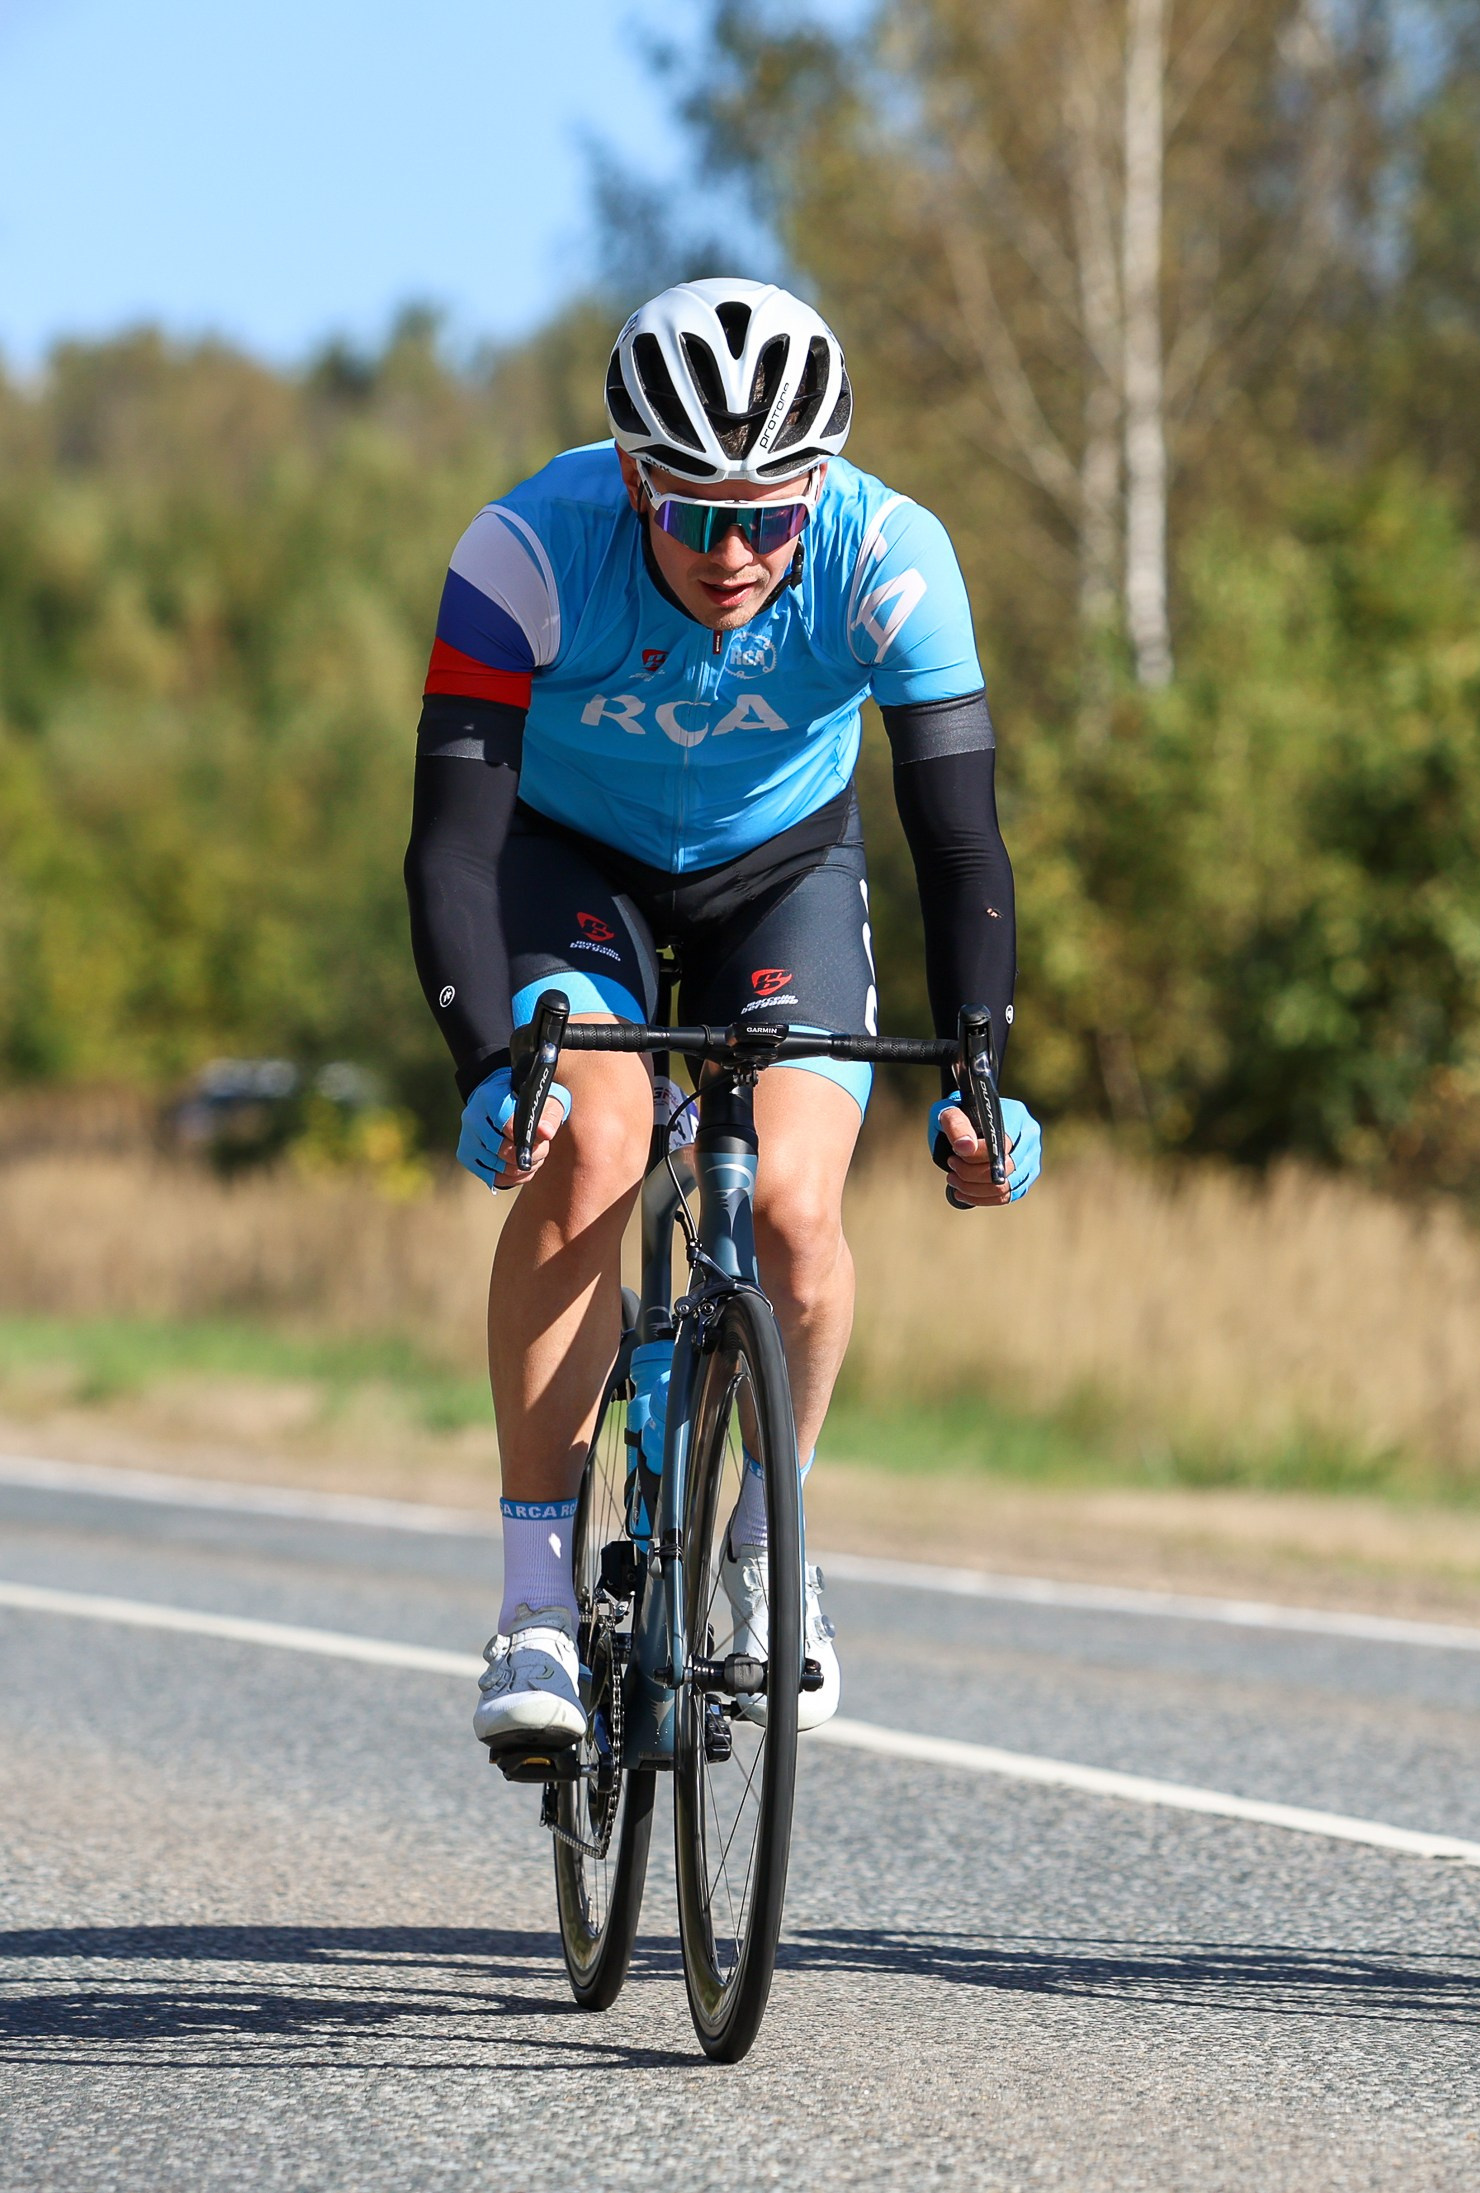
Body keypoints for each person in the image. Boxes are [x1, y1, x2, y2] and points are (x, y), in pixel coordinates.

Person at [403, 278, 1041, 1754]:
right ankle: (534, 1608)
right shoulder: (523, 555)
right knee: (594, 1145)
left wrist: (983, 1069)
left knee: (804, 1209)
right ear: (634, 477)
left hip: (783, 873)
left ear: (822, 488)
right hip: (576, 870)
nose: (739, 552)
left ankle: (769, 1543)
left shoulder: (893, 556)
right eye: (697, 516)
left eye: (772, 514)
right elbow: (448, 846)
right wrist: (488, 1061)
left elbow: (959, 844)